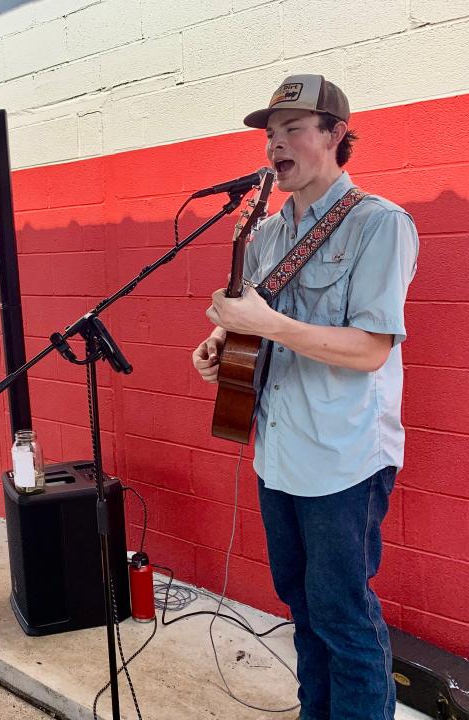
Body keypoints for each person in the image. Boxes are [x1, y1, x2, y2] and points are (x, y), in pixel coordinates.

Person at [191, 74, 419, 720]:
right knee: (301, 609)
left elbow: (372, 349)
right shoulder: (264, 234)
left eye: (292, 129)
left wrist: (268, 326)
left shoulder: (380, 226)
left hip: (344, 460)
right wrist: (218, 343)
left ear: (336, 135)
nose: (275, 145)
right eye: (270, 134)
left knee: (344, 617)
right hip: (279, 457)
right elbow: (252, 318)